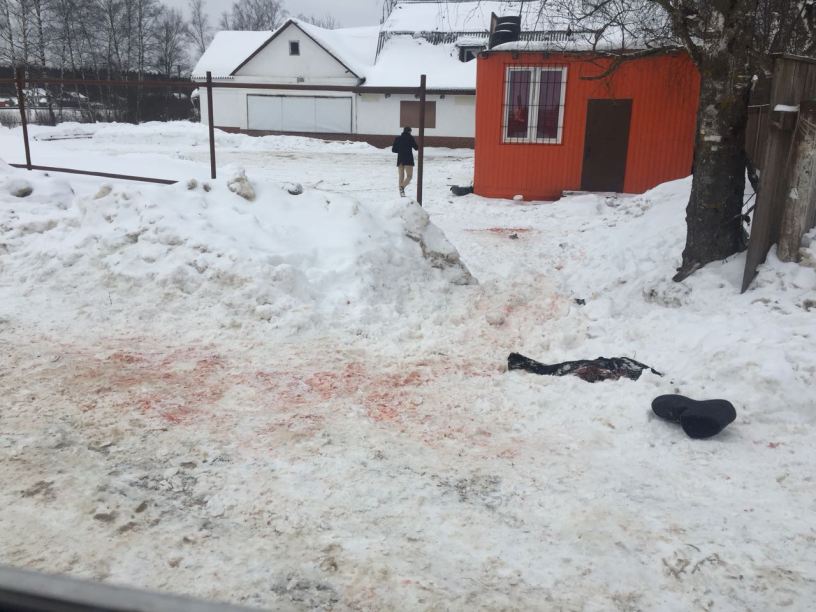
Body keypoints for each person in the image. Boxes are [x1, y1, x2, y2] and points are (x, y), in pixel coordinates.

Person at [391, 126, 419, 197]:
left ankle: (401, 193)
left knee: (401, 176)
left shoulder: (398, 138)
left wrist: (401, 150)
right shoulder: (410, 138)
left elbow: (393, 150)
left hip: (400, 159)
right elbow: (416, 148)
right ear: (409, 131)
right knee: (409, 176)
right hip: (408, 159)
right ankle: (402, 187)